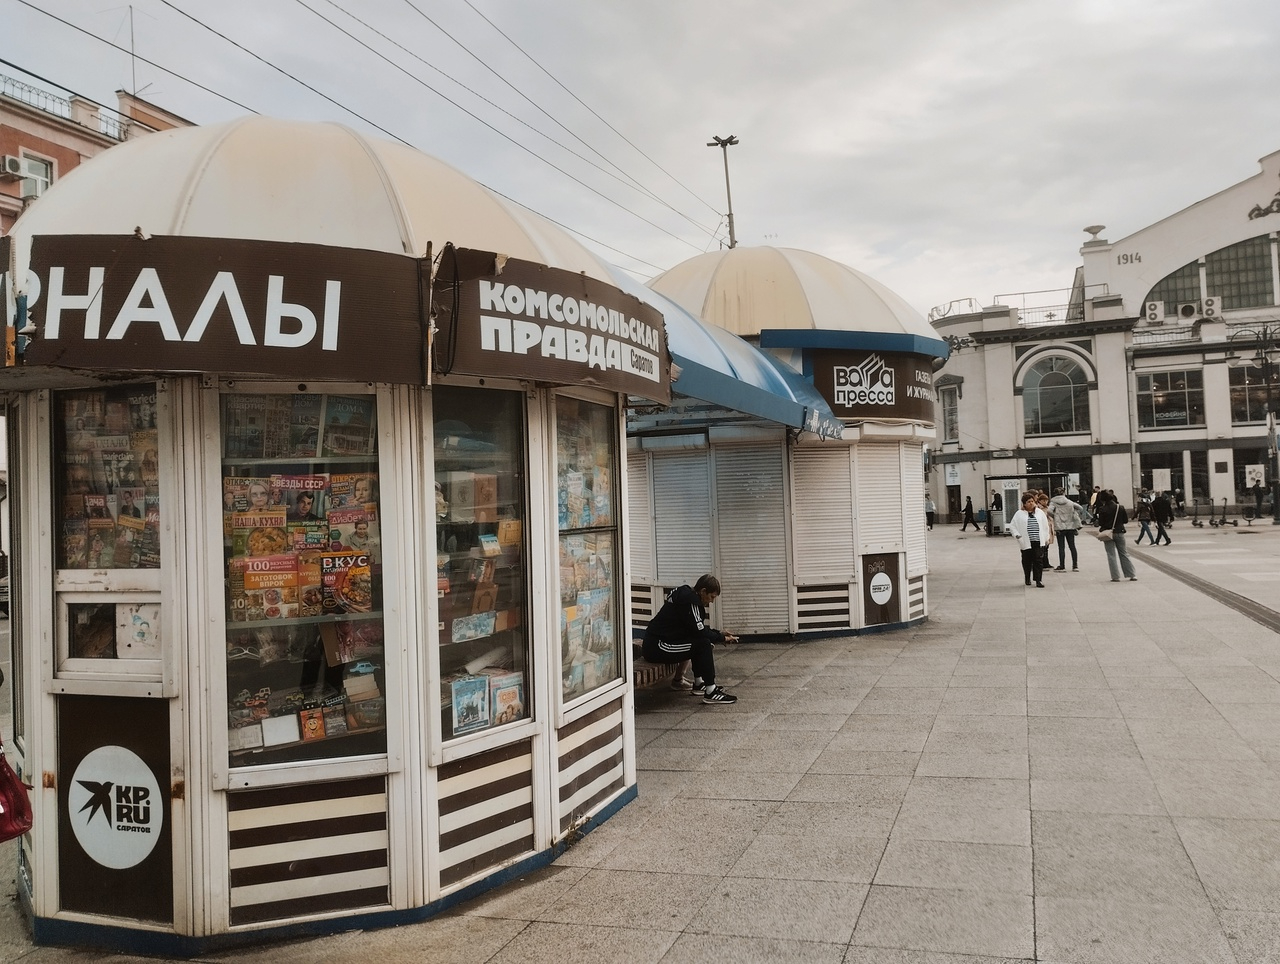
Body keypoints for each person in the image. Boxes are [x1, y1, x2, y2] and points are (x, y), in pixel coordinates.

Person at [642, 574, 739, 705]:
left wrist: (719, 633)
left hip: (658, 642)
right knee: (703, 644)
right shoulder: (691, 602)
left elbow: (695, 628)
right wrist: (721, 637)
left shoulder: (687, 596)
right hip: (658, 646)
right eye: (711, 597)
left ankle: (699, 683)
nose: (711, 601)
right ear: (703, 591)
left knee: (699, 641)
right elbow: (700, 630)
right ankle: (711, 691)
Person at [1095, 490, 1138, 582]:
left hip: (1108, 533)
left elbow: (1101, 523)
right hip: (1119, 531)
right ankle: (1132, 574)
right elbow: (1125, 520)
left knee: (1111, 555)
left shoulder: (1102, 509)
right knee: (1124, 553)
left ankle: (1115, 576)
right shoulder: (1120, 507)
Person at [1008, 492, 1049, 588]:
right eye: (1028, 502)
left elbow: (1045, 526)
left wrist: (1046, 537)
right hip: (1026, 541)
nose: (1031, 503)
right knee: (1027, 561)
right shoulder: (1019, 514)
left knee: (1038, 560)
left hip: (1038, 541)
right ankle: (1027, 577)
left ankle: (1038, 580)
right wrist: (1017, 536)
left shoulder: (1040, 513)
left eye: (1032, 501)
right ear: (1024, 504)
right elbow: (1012, 526)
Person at [1048, 487, 1084, 571]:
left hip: (1060, 527)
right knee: (1072, 546)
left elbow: (1049, 511)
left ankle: (1062, 565)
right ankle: (1075, 566)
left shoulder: (1053, 502)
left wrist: (1055, 516)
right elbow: (1080, 508)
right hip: (1070, 526)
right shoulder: (1069, 502)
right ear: (1063, 493)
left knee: (1061, 547)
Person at [1035, 492, 1055, 569]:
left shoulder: (1047, 508)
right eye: (1044, 500)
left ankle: (1046, 562)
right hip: (1044, 528)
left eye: (1046, 500)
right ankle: (1043, 563)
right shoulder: (1039, 509)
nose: (1045, 502)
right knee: (1043, 547)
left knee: (1047, 547)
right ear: (1040, 500)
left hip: (1049, 528)